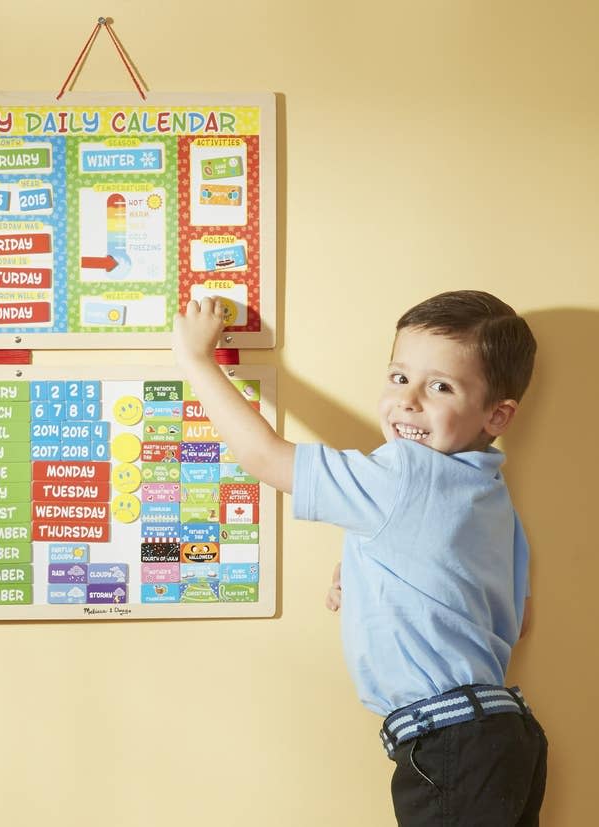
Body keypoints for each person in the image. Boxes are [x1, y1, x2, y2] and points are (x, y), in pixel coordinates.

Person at [173, 290, 547, 826]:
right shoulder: (491, 495)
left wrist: (195, 359)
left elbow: (264, 458)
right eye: (398, 378)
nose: (408, 400)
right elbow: (517, 619)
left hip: (448, 742)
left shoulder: (402, 472)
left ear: (497, 414)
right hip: (506, 737)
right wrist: (376, 575)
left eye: (440, 386)